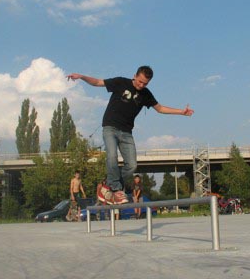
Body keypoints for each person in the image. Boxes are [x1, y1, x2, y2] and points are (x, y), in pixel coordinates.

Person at [67, 66, 194, 204]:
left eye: (145, 83)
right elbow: (98, 82)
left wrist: (181, 112)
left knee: (132, 165)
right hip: (110, 127)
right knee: (112, 157)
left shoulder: (146, 94)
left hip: (127, 133)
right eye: (140, 81)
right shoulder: (120, 82)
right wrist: (82, 76)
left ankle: (107, 186)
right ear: (135, 76)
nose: (141, 85)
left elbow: (160, 108)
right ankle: (115, 189)